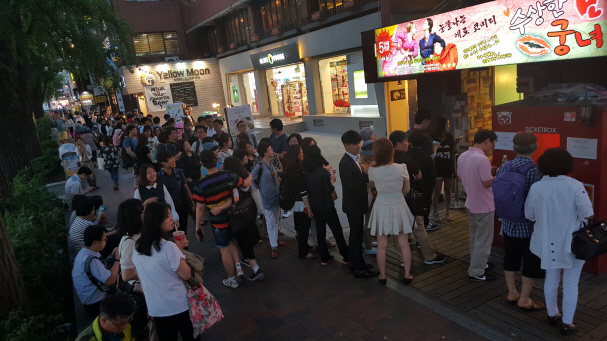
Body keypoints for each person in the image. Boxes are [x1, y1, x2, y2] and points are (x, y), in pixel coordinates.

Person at [525, 149, 593, 335]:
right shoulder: (575, 185)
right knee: (571, 282)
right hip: (572, 242)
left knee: (551, 278)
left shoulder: (537, 187)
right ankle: (567, 323)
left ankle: (552, 314)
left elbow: (529, 215)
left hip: (546, 240)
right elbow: (587, 213)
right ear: (568, 165)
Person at [132, 202, 196, 341]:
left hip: (157, 308)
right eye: (167, 216)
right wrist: (180, 249)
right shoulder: (168, 247)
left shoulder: (137, 247)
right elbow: (186, 274)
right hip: (179, 306)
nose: (172, 219)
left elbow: (142, 279)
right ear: (157, 221)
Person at [495, 132, 545, 310]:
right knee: (530, 261)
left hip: (508, 223)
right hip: (530, 227)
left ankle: (511, 292)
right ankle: (524, 299)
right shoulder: (536, 171)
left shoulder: (504, 167)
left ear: (514, 148)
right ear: (535, 147)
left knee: (510, 258)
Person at [193, 150, 253, 287]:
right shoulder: (229, 175)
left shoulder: (201, 184)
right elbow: (245, 183)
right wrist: (251, 173)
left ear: (202, 164)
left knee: (224, 249)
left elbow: (200, 207)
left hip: (217, 222)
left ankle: (231, 279)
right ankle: (238, 268)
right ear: (216, 160)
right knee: (232, 242)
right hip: (232, 217)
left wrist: (197, 225)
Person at [367, 138, 415, 284]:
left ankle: (382, 275)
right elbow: (406, 190)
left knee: (381, 245)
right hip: (398, 204)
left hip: (381, 205)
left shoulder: (372, 170)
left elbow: (373, 186)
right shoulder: (402, 168)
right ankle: (407, 274)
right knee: (404, 243)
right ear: (392, 151)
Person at [457, 129, 497, 281]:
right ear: (487, 141)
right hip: (484, 205)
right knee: (484, 240)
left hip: (471, 203)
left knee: (474, 237)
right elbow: (486, 183)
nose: (491, 148)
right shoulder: (482, 159)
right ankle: (476, 271)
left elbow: (461, 177)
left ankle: (479, 263)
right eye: (492, 144)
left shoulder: (463, 155)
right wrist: (497, 174)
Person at [338, 130, 379, 278]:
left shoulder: (354, 159)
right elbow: (349, 186)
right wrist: (365, 175)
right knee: (356, 236)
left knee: (357, 235)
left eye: (359, 143)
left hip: (357, 204)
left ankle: (357, 263)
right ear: (346, 145)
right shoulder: (345, 163)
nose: (358, 146)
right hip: (353, 206)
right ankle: (358, 268)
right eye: (354, 143)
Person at [304, 145, 349, 265]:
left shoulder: (306, 172)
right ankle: (346, 256)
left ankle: (324, 257)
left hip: (315, 205)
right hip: (327, 205)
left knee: (320, 231)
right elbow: (329, 189)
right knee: (337, 230)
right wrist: (332, 179)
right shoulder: (322, 171)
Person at [406, 130, 446, 264]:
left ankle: (409, 243)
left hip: (406, 193)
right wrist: (428, 194)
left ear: (409, 142)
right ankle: (427, 253)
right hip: (421, 192)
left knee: (407, 222)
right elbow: (431, 177)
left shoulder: (405, 156)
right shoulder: (426, 156)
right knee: (419, 223)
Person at [222, 156, 265, 281]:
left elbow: (233, 199)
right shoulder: (246, 176)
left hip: (238, 217)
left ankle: (256, 269)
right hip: (250, 211)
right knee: (249, 238)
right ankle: (251, 258)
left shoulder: (230, 181)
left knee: (243, 244)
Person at [72, 225, 121, 317]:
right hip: (96, 304)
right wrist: (117, 258)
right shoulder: (91, 261)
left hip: (89, 299)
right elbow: (111, 280)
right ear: (95, 242)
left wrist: (111, 255)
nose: (106, 242)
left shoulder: (84, 252)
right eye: (104, 240)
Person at [252, 141, 288, 259]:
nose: (272, 150)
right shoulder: (260, 166)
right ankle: (273, 246)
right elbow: (252, 179)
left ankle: (275, 241)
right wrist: (259, 188)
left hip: (275, 195)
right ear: (265, 152)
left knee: (276, 219)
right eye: (270, 149)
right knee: (270, 221)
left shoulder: (271, 164)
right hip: (267, 197)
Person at [283, 145, 316, 259]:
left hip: (296, 204)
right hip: (301, 204)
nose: (303, 154)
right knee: (303, 229)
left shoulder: (290, 169)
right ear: (297, 155)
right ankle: (303, 252)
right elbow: (303, 192)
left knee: (300, 228)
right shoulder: (298, 171)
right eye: (301, 152)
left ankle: (304, 247)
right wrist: (309, 208)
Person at [157, 151, 195, 239]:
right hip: (167, 211)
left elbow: (186, 188)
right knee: (169, 234)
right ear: (162, 163)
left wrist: (192, 203)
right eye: (170, 159)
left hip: (181, 207)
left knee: (182, 232)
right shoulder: (158, 176)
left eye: (173, 158)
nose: (173, 160)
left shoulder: (179, 172)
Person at [431, 117, 461, 222]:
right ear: (442, 125)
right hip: (437, 167)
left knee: (448, 190)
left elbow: (453, 151)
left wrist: (455, 143)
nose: (449, 126)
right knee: (437, 191)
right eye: (447, 124)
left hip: (448, 166)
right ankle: (435, 212)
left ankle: (447, 211)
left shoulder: (449, 136)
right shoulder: (433, 137)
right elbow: (431, 152)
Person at [116, 199, 144, 289]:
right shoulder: (130, 242)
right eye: (143, 212)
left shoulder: (138, 234)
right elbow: (126, 275)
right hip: (139, 287)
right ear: (134, 217)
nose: (146, 214)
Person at [358, 141, 377, 255]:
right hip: (367, 194)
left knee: (369, 220)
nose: (371, 155)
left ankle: (367, 241)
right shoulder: (362, 164)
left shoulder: (366, 161)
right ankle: (369, 247)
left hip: (370, 193)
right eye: (369, 154)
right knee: (368, 221)